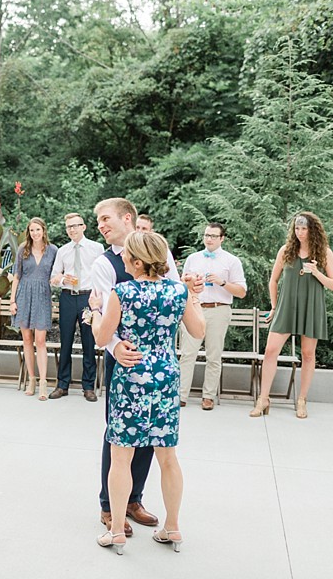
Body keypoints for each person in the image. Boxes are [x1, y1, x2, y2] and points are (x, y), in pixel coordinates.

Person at [89, 230, 205, 554]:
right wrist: (194, 297)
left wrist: (96, 310)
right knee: (167, 457)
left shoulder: (122, 293)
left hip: (132, 376)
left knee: (121, 456)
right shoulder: (178, 291)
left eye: (127, 255)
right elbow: (198, 330)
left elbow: (102, 338)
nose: (123, 258)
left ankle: (115, 531)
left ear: (138, 261)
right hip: (166, 377)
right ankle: (173, 527)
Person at [251, 212, 333, 419]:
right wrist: (274, 306)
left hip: (311, 307)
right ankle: (263, 399)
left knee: (308, 354)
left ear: (313, 230)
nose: (300, 233)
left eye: (304, 228)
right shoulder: (286, 251)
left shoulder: (325, 253)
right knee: (271, 351)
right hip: (286, 307)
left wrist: (317, 273)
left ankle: (302, 400)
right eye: (297, 228)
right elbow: (273, 281)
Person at [178, 223, 247, 409]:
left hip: (219, 309)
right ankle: (181, 395)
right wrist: (190, 281)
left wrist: (222, 282)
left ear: (222, 238)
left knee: (214, 355)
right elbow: (182, 284)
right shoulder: (193, 258)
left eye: (214, 236)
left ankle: (208, 396)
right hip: (195, 307)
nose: (209, 239)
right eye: (207, 235)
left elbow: (241, 292)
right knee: (187, 353)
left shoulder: (232, 261)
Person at [48, 213, 104, 402]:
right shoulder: (62, 251)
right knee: (66, 341)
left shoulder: (97, 248)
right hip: (68, 298)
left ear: (84, 227)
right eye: (69, 227)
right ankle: (62, 384)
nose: (72, 229)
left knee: (89, 342)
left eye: (75, 226)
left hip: (88, 298)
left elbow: (102, 275)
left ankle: (88, 386)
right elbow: (54, 278)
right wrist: (64, 279)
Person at [8, 218, 58, 400]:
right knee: (27, 339)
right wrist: (12, 301)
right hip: (24, 295)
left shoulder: (53, 250)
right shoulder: (23, 249)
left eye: (38, 230)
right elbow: (16, 276)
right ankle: (32, 379)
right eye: (31, 230)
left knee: (41, 340)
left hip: (43, 296)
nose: (35, 233)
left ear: (44, 230)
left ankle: (44, 382)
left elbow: (57, 272)